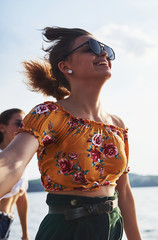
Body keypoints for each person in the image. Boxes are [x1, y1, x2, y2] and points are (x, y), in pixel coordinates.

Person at [0, 27, 141, 239]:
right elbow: (13, 163)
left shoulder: (117, 125)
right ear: (65, 66)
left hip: (112, 229)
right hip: (67, 230)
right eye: (91, 48)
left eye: (106, 49)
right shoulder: (49, 114)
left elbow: (125, 193)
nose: (102, 53)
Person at [0, 109, 29, 240]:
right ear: (2, 127)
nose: (23, 127)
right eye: (18, 123)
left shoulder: (21, 159)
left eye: (25, 124)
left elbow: (21, 197)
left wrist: (25, 233)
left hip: (7, 222)